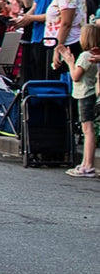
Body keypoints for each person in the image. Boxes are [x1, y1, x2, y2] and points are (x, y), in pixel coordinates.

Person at [57, 23, 100, 177]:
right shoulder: (92, 55)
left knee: (87, 130)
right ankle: (84, 163)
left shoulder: (85, 56)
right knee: (87, 130)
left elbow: (75, 76)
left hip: (84, 93)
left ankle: (87, 165)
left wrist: (69, 61)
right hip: (88, 93)